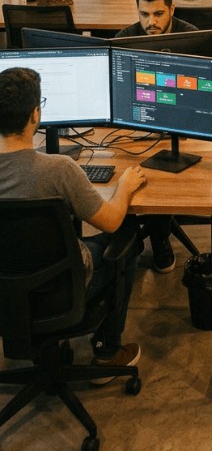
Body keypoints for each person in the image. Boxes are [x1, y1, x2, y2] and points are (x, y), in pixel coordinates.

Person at [0, 66, 146, 377]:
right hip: (61, 291)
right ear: (35, 115)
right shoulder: (59, 170)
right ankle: (108, 352)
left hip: (4, 294)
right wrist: (124, 188)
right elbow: (111, 222)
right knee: (126, 239)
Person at [115, 0, 198, 272]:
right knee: (120, 172)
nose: (151, 21)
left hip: (184, 126)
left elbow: (202, 93)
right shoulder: (125, 38)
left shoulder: (190, 37)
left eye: (159, 14)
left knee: (160, 173)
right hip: (136, 126)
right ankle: (126, 238)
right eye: (144, 14)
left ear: (172, 9)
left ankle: (159, 238)